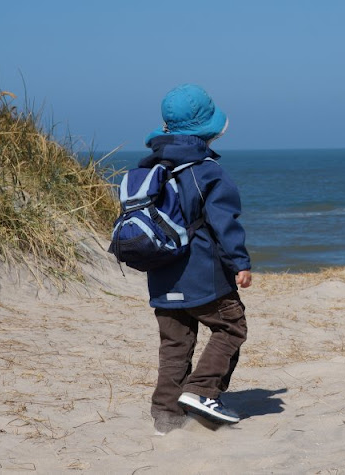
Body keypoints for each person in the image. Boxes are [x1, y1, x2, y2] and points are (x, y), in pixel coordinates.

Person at [140, 84, 252, 434]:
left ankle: (165, 416)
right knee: (231, 326)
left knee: (174, 343)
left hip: (161, 274)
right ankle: (202, 390)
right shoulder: (208, 172)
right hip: (202, 275)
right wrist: (240, 263)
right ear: (208, 130)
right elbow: (224, 223)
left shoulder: (149, 168)